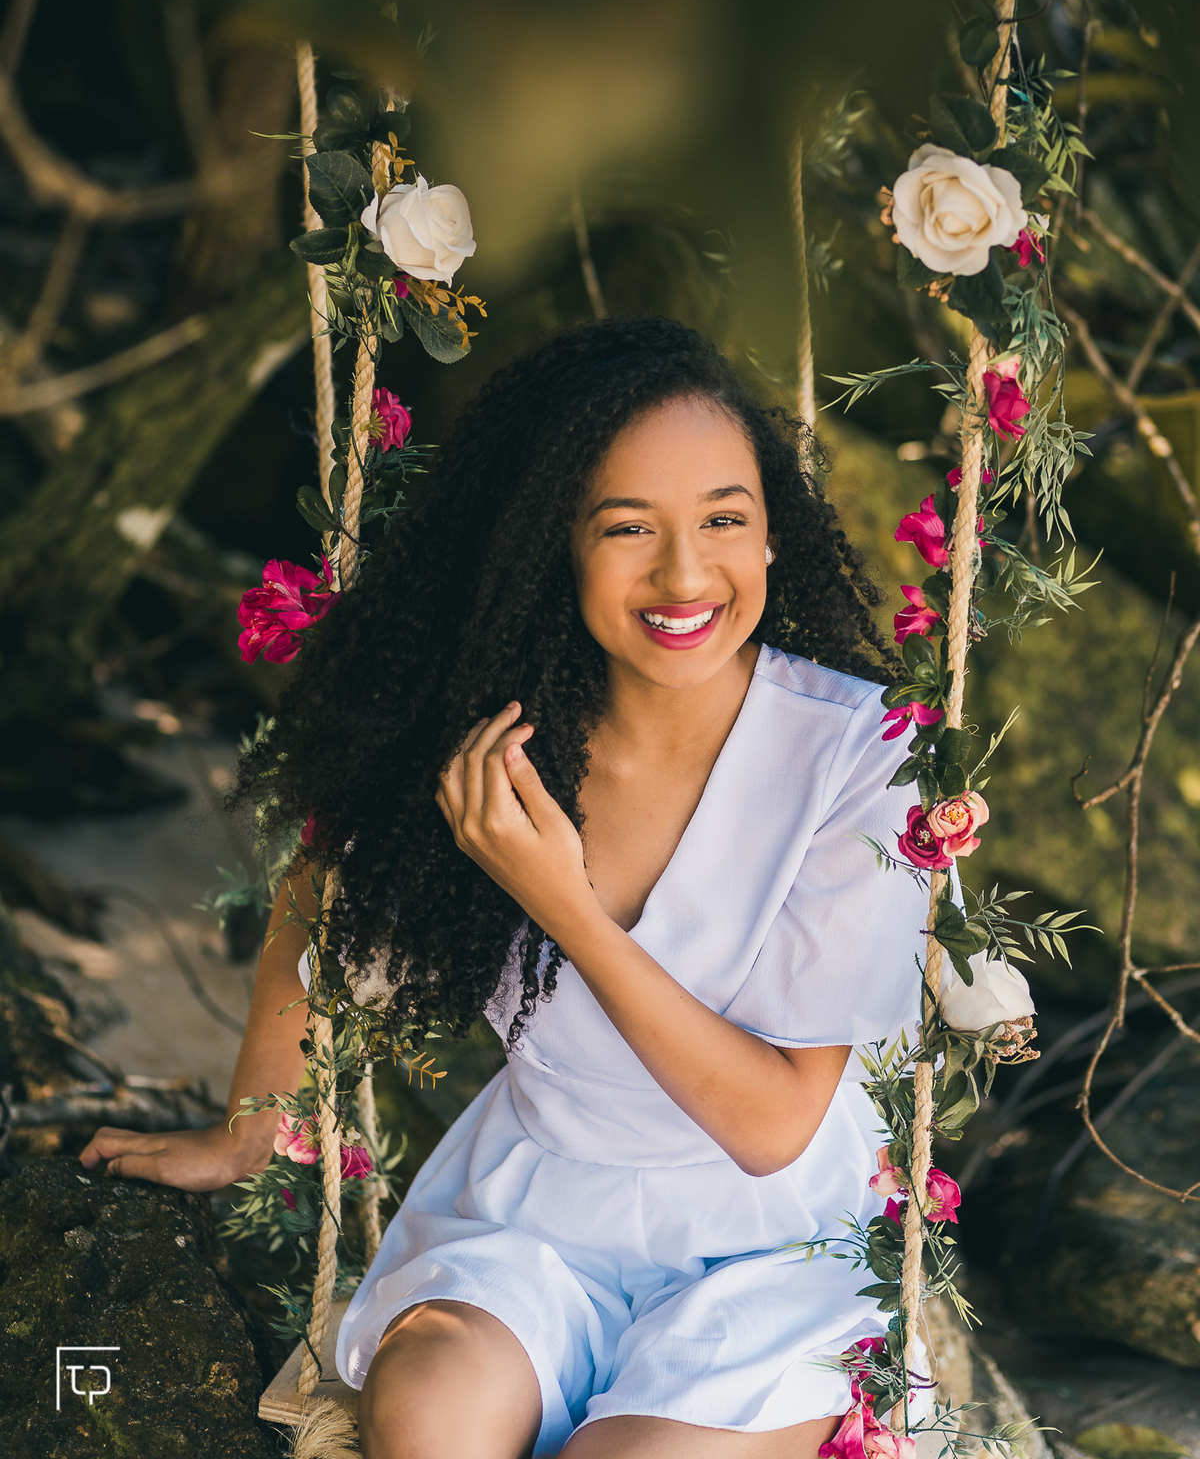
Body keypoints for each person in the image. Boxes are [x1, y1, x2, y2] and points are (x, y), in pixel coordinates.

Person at [81, 317, 931, 1459]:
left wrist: (563, 903)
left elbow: (775, 1125)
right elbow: (321, 887)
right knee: (431, 1420)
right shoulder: (496, 742)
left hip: (775, 1252)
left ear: (774, 534)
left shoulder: (859, 755)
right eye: (628, 529)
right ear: (553, 548)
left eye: (724, 520)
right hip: (539, 1223)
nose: (686, 575)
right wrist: (249, 1127)